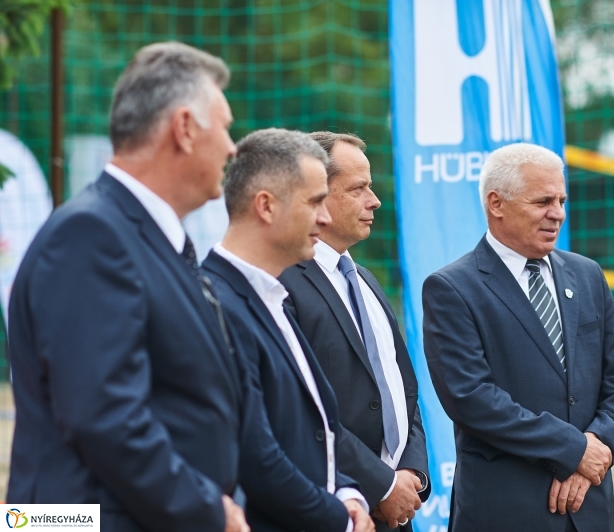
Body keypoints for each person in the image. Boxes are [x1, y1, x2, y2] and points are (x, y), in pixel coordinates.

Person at [6, 42, 249, 531]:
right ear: (183, 128)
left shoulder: (143, 238)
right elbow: (104, 416)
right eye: (224, 127)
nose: (232, 147)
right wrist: (206, 506)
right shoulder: (91, 237)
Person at [422, 143, 614, 532]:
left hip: (588, 505)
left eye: (560, 200)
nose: (556, 213)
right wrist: (574, 450)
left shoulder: (587, 274)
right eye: (542, 201)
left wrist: (598, 446)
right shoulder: (452, 288)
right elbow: (472, 399)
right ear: (497, 203)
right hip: (507, 510)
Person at [201, 128, 374, 532]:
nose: (326, 217)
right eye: (315, 202)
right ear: (266, 206)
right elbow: (257, 452)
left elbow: (315, 428)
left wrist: (348, 492)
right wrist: (337, 518)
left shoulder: (273, 296)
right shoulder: (215, 304)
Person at [279, 132, 430, 531]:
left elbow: (401, 389)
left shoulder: (365, 280)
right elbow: (301, 409)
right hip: (333, 510)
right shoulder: (282, 284)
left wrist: (412, 472)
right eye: (359, 188)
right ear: (316, 194)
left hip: (396, 512)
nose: (374, 200)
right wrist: (381, 486)